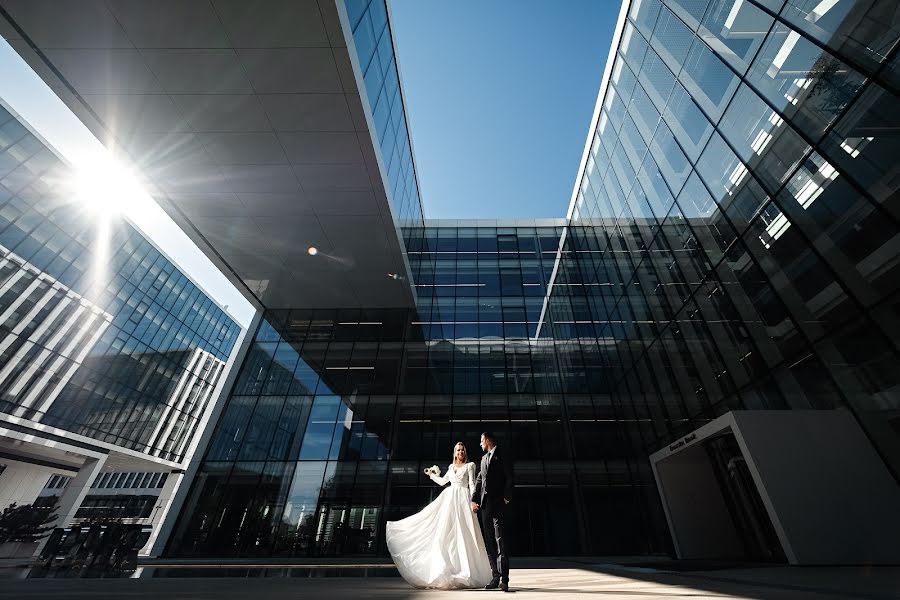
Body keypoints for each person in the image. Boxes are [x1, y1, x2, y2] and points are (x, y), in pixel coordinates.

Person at [385, 442, 493, 589]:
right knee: (447, 535)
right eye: (458, 450)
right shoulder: (450, 467)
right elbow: (443, 482)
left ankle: (468, 571)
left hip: (463, 500)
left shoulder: (470, 466)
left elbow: (473, 484)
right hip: (449, 501)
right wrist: (432, 475)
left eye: (462, 450)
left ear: (465, 453)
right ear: (455, 453)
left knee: (464, 534)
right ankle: (448, 570)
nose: (460, 451)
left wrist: (473, 501)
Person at [471, 431, 513, 592]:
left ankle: (505, 579)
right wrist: (474, 499)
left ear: (487, 440)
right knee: (489, 540)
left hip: (499, 502)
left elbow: (509, 476)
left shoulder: (502, 454)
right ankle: (495, 576)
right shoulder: (483, 459)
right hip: (485, 505)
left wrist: (507, 497)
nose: (480, 444)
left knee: (500, 538)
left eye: (481, 441)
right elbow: (480, 479)